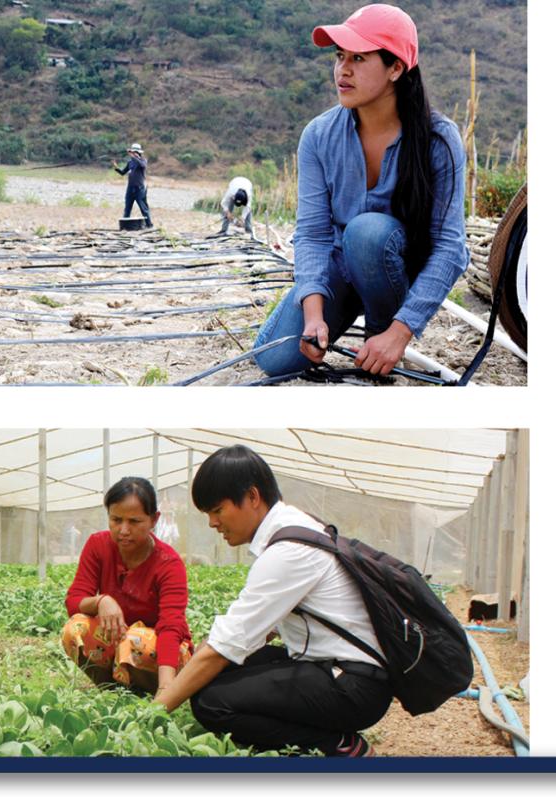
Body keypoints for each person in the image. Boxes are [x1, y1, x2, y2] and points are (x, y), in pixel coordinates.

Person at [253, 3, 469, 378]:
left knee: (368, 232)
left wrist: (400, 333)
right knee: (274, 361)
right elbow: (313, 234)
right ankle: (345, 323)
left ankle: (382, 338)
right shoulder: (319, 137)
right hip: (340, 269)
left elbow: (451, 247)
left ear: (396, 68)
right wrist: (313, 316)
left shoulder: (439, 140)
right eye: (339, 56)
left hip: (393, 271)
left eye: (358, 57)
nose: (343, 70)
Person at [153, 446, 386, 757]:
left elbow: (223, 648)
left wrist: (151, 713)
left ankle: (339, 746)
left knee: (211, 702)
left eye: (218, 510)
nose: (212, 523)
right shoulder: (296, 528)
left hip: (354, 686)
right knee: (219, 674)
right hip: (337, 668)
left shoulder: (288, 551)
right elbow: (254, 634)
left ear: (252, 497)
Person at [60, 477, 192, 698]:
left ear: (153, 520)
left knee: (135, 643)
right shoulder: (98, 546)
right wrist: (102, 600)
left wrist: (167, 688)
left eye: (134, 521)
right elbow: (74, 600)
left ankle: (148, 693)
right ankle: (111, 691)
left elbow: (171, 626)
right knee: (75, 629)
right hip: (121, 637)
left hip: (162, 653)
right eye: (116, 519)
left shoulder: (168, 563)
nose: (123, 530)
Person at [113, 142, 150, 227]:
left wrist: (134, 157)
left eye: (135, 152)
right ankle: (125, 226)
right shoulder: (130, 162)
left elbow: (142, 165)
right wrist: (116, 168)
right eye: (133, 152)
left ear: (139, 153)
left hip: (139, 188)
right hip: (130, 188)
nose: (134, 154)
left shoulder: (143, 160)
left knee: (143, 208)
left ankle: (149, 225)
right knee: (127, 208)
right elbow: (123, 172)